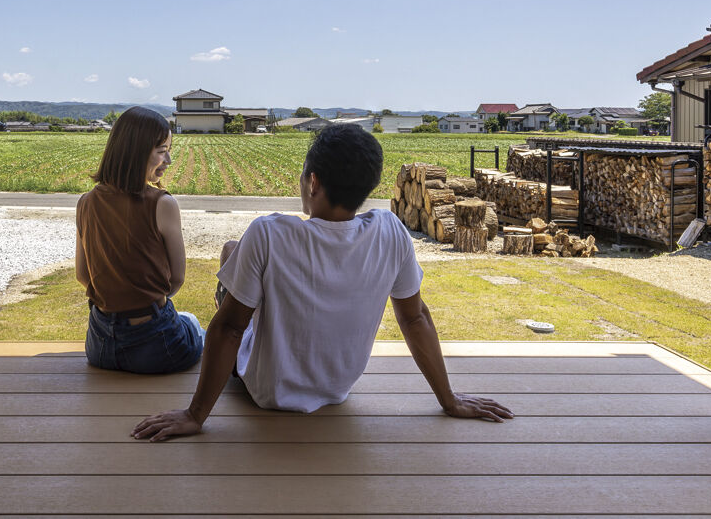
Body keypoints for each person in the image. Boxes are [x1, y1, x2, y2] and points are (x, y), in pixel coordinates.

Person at [132, 123, 513, 440]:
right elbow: (416, 319)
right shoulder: (390, 231)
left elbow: (230, 328)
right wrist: (448, 399)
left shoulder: (269, 233)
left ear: (312, 182)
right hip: (335, 388)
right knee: (240, 256)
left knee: (233, 257)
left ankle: (239, 293)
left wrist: (195, 415)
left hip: (266, 389)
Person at [75, 106, 203, 374]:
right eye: (161, 151)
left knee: (185, 320)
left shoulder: (85, 203)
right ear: (135, 152)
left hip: (99, 346)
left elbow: (83, 275)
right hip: (155, 345)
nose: (168, 159)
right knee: (192, 322)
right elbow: (176, 279)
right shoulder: (163, 204)